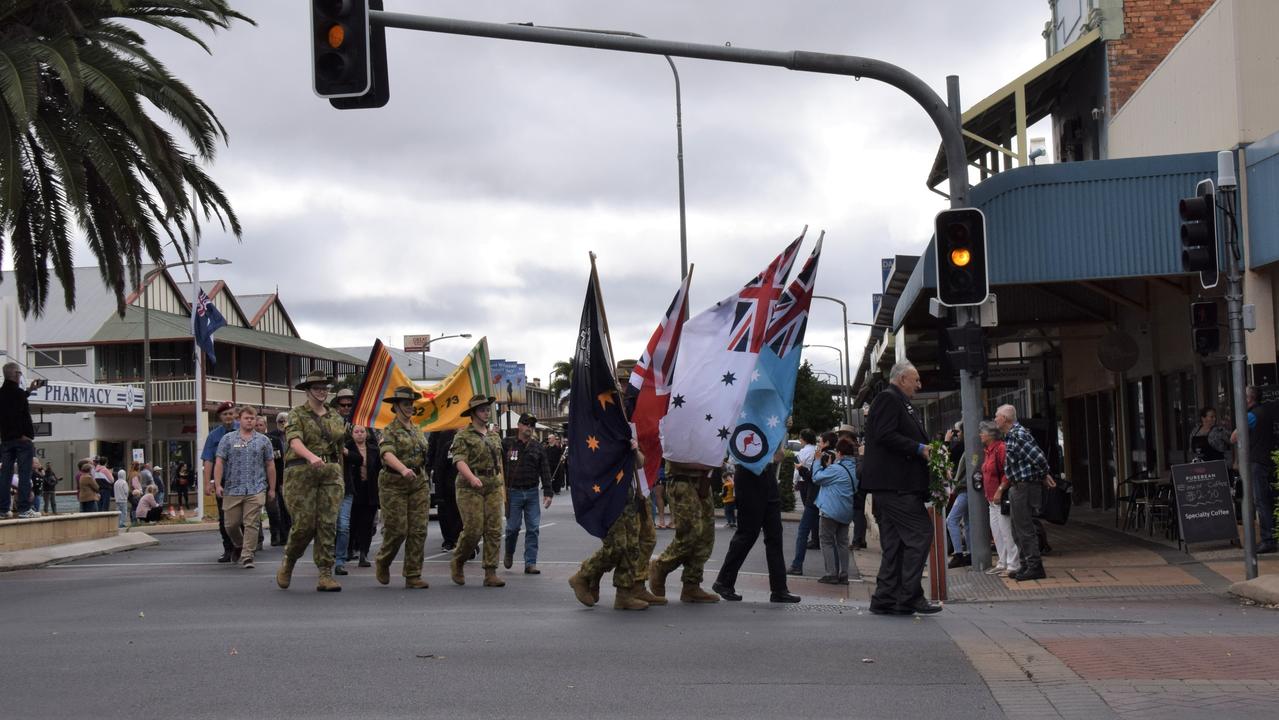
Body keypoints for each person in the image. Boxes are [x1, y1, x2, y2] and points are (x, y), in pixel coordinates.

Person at [861, 360, 941, 616]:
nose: (919, 386)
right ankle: (909, 596)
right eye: (915, 380)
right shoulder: (888, 399)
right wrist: (919, 449)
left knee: (895, 543)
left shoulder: (899, 402)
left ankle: (885, 598)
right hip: (895, 486)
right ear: (902, 378)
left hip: (895, 485)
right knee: (920, 534)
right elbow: (884, 435)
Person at [275, 370, 347, 592]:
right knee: (305, 524)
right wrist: (310, 456)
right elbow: (294, 441)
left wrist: (340, 474)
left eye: (325, 388)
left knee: (327, 523)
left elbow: (338, 448)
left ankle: (325, 573)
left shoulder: (335, 416)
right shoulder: (297, 414)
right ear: (307, 391)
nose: (322, 392)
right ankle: (289, 561)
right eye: (317, 388)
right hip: (301, 473)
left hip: (330, 473)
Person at [712, 448, 801, 603]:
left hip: (766, 476)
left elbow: (778, 456)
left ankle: (779, 589)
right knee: (747, 533)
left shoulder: (768, 426)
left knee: (774, 535)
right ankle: (724, 581)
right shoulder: (744, 424)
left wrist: (780, 434)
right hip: (749, 474)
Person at [375, 387, 432, 589]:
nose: (410, 407)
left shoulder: (417, 429)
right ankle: (383, 560)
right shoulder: (389, 430)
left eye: (411, 404)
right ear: (396, 406)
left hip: (418, 483)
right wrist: (403, 469)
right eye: (406, 404)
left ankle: (413, 574)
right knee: (398, 530)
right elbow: (386, 454)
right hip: (394, 484)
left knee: (418, 529)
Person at [648, 448, 721, 603]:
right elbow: (673, 457)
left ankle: (691, 585)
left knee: (705, 535)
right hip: (681, 479)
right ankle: (661, 566)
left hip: (703, 481)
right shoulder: (680, 424)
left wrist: (710, 467)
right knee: (691, 531)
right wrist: (706, 465)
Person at [449, 395, 506, 587]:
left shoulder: (494, 436)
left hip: (492, 485)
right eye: (482, 410)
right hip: (469, 487)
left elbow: (499, 463)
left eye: (488, 409)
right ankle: (458, 561)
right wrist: (472, 478)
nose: (486, 413)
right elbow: (459, 460)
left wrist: (502, 485)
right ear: (473, 413)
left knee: (494, 529)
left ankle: (490, 572)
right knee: (473, 529)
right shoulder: (463, 436)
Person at [213, 405, 276, 569]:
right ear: (239, 420)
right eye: (246, 418)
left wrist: (272, 488)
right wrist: (218, 484)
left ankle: (248, 556)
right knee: (231, 524)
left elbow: (270, 465)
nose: (250, 421)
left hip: (256, 488)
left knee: (252, 523)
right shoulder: (227, 439)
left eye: (252, 418)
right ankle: (239, 544)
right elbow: (219, 462)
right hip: (233, 488)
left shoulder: (264, 441)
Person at [994, 404, 1052, 580]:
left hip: (1024, 487)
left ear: (1004, 418)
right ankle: (1026, 564)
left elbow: (1039, 457)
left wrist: (1044, 474)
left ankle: (1035, 566)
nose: (995, 419)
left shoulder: (1018, 434)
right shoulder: (1011, 435)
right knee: (1016, 528)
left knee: (1024, 527)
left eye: (997, 416)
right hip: (1017, 486)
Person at [502, 413, 553, 574]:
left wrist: (548, 492)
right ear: (519, 425)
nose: (529, 427)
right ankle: (509, 552)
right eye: (526, 424)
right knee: (512, 528)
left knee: (533, 528)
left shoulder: (538, 447)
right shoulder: (507, 444)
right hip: (513, 493)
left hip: (531, 492)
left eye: (532, 425)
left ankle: (530, 563)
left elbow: (545, 470)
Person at [1234, 387, 1278, 554]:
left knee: (1261, 501)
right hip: (1267, 460)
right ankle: (1271, 537)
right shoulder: (1266, 412)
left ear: (1248, 399)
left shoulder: (1251, 415)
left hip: (1256, 462)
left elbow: (1234, 436)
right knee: (1267, 499)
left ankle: (1268, 540)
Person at [0, 362, 46, 518]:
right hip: (21, 440)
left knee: (5, 475)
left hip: (6, 440)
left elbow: (15, 400)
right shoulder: (18, 394)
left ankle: (3, 509)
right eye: (19, 373)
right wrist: (27, 435)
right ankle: (24, 509)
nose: (20, 376)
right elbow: (22, 414)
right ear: (14, 374)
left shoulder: (2, 393)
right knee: (25, 474)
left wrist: (30, 390)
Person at [813, 436, 857, 584]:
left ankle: (831, 573)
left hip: (830, 511)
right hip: (846, 511)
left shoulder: (836, 469)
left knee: (826, 541)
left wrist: (818, 462)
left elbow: (817, 478)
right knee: (843, 543)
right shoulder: (854, 469)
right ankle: (844, 574)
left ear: (839, 453)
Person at [788, 429, 830, 576]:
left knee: (803, 530)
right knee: (834, 536)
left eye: (821, 441)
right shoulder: (830, 456)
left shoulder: (821, 456)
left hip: (814, 492)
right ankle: (835, 571)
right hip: (828, 497)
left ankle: (797, 565)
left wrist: (800, 471)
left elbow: (814, 477)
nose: (819, 443)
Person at [978, 421, 1017, 576]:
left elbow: (1007, 472)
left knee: (1006, 531)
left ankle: (1013, 565)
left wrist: (1000, 490)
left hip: (1000, 497)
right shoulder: (988, 450)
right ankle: (1002, 562)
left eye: (982, 432)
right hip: (991, 499)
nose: (980, 434)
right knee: (997, 532)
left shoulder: (1000, 448)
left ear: (991, 434)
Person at [202, 401, 238, 562]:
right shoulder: (214, 436)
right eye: (225, 414)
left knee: (241, 517)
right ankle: (228, 549)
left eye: (231, 413)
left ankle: (243, 547)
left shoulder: (244, 431)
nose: (228, 417)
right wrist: (207, 483)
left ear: (235, 414)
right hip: (222, 482)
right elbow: (208, 461)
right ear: (220, 417)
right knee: (224, 518)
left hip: (241, 480)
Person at [347, 424, 381, 568]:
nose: (360, 434)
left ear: (366, 433)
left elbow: (379, 470)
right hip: (354, 489)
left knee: (367, 524)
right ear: (352, 433)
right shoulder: (346, 448)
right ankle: (348, 550)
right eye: (356, 431)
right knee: (352, 522)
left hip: (370, 490)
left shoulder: (374, 449)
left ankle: (363, 553)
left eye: (362, 431)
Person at [426, 429, 462, 551]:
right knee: (445, 509)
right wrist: (428, 468)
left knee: (461, 510)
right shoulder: (440, 428)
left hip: (461, 473)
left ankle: (461, 539)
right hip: (443, 472)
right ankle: (449, 540)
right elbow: (431, 448)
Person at [837, 424, 869, 550]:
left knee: (857, 512)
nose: (840, 437)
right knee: (860, 511)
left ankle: (857, 541)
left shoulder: (852, 448)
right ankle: (862, 539)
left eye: (841, 434)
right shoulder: (859, 447)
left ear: (847, 435)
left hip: (856, 482)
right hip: (862, 481)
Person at [944, 422, 972, 568]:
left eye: (958, 431)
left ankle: (958, 553)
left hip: (964, 489)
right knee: (967, 522)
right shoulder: (967, 447)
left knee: (951, 520)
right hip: (965, 489)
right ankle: (970, 552)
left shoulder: (963, 448)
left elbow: (945, 458)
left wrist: (947, 442)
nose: (957, 434)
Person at [268, 412, 292, 542]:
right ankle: (278, 534)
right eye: (280, 422)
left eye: (285, 421)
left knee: (288, 508)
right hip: (277, 476)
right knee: (277, 508)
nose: (283, 424)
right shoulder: (271, 437)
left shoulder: (294, 435)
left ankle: (287, 533)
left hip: (292, 475)